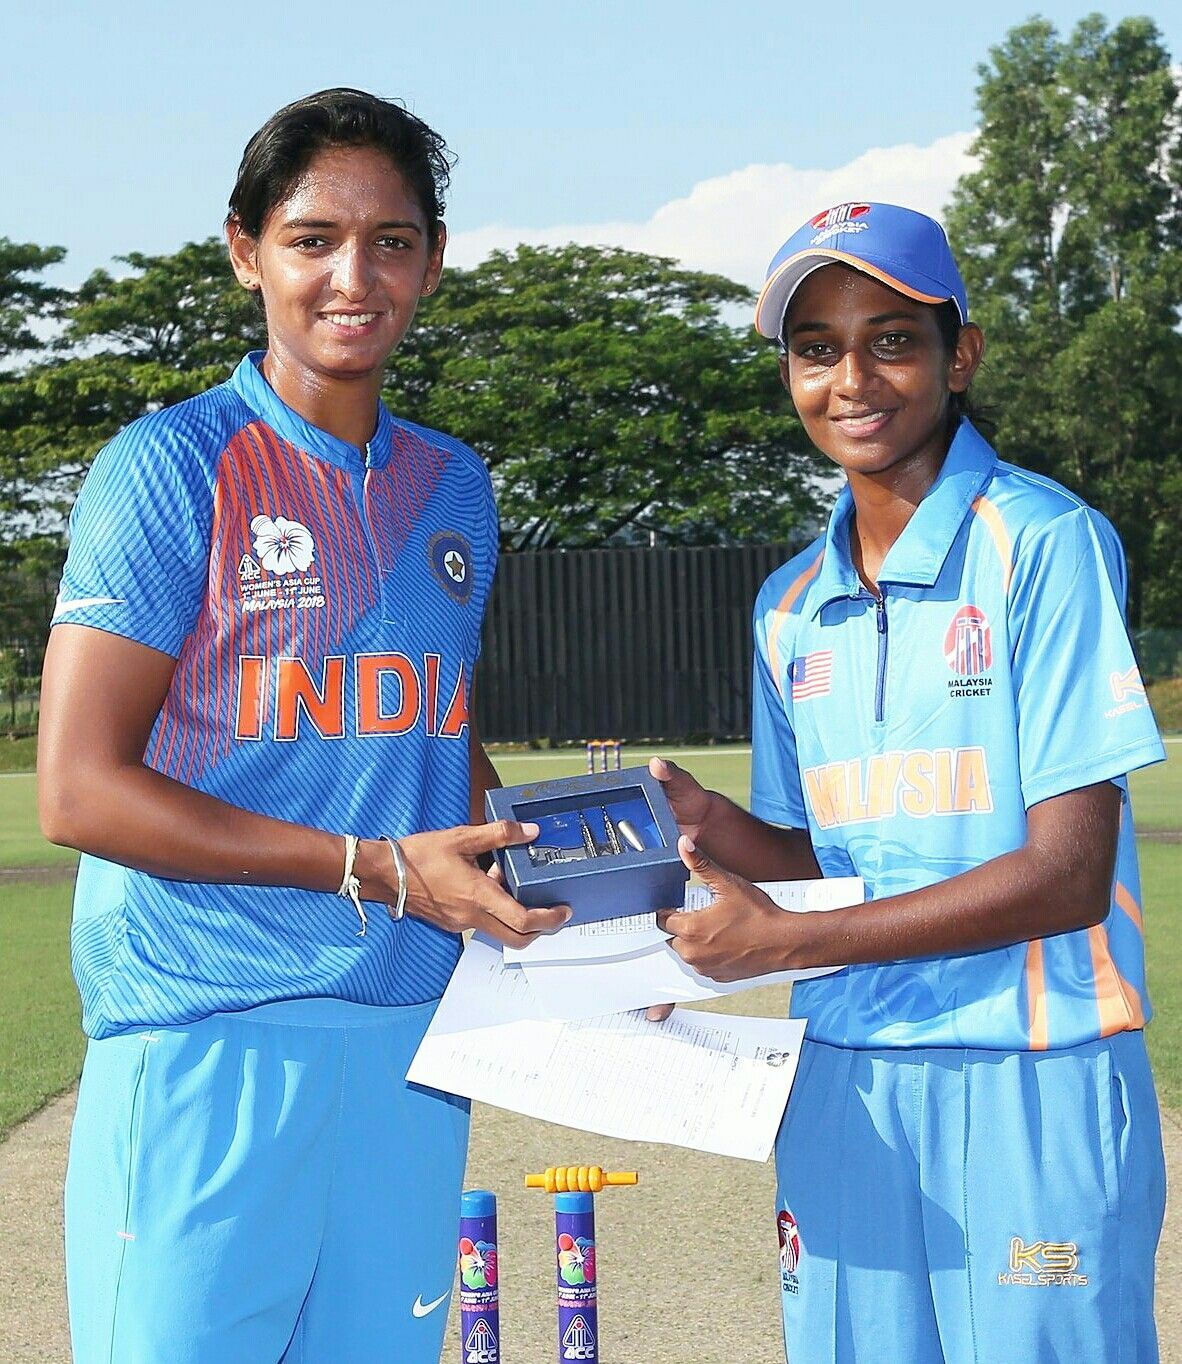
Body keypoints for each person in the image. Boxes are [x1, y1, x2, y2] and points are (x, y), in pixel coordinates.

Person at [38, 88, 567, 1364]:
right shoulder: (172, 466)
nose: (353, 275)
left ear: (432, 261)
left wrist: (585, 903)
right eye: (312, 236)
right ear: (246, 250)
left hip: (410, 1045)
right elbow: (79, 789)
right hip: (211, 1026)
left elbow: (436, 739)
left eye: (391, 240)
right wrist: (369, 867)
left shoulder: (457, 484)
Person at [649, 202, 1166, 1363]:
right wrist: (719, 829)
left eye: (891, 338)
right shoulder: (787, 603)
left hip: (1030, 1069)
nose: (852, 378)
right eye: (817, 346)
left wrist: (780, 939)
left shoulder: (1045, 542)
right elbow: (823, 865)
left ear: (959, 354)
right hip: (845, 1080)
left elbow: (1069, 873)